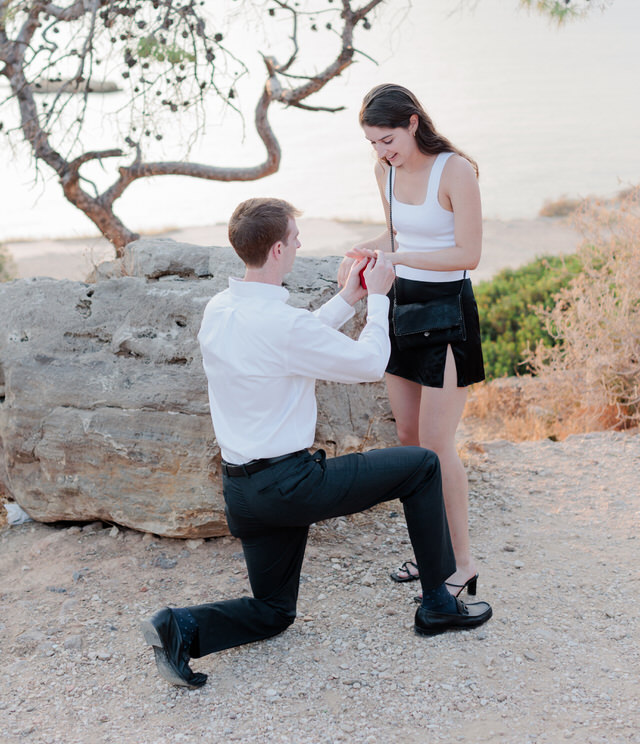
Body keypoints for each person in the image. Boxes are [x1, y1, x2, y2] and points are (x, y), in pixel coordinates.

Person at [141, 197, 491, 688]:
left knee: (273, 611)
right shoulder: (281, 325)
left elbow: (294, 341)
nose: (302, 244)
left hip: (243, 493)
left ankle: (181, 626)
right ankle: (437, 605)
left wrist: (347, 297)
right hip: (290, 485)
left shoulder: (220, 311)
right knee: (421, 466)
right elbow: (367, 363)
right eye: (297, 238)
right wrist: (378, 299)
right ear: (280, 249)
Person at [338, 84, 485, 599]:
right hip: (402, 309)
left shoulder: (456, 170)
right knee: (409, 440)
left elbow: (468, 253)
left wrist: (398, 261)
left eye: (388, 140)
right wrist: (365, 252)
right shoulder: (386, 171)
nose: (382, 152)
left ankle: (462, 563)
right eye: (374, 144)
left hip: (447, 315)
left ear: (412, 123)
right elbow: (397, 237)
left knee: (439, 445)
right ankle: (431, 555)